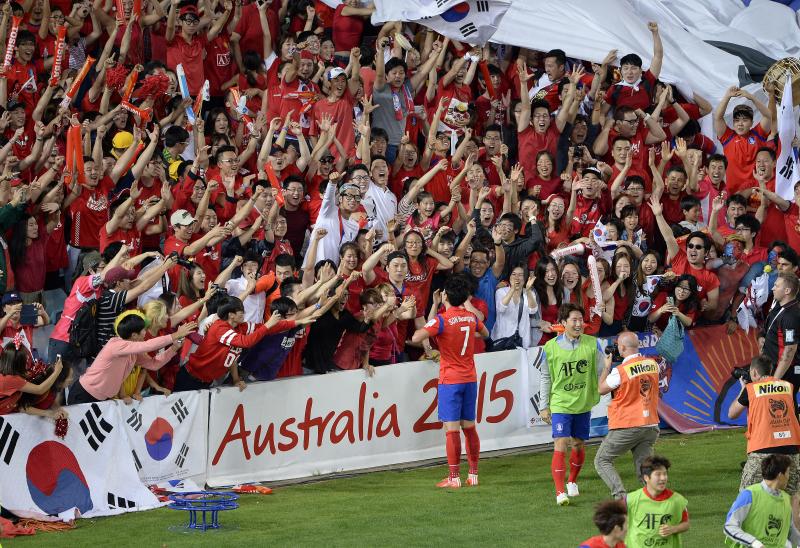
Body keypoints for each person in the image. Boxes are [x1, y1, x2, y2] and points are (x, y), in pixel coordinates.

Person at [412, 274, 489, 488]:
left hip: (450, 380)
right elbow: (485, 333)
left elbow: (418, 337)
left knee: (452, 429)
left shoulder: (442, 320)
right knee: (470, 427)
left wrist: (434, 313)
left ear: (445, 295)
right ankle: (473, 474)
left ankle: (454, 477)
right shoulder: (471, 318)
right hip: (469, 378)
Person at [540, 302, 603, 505]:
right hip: (560, 403)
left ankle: (572, 481)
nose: (578, 324)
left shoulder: (593, 344)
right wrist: (543, 406)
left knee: (578, 443)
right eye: (574, 320)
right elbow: (545, 377)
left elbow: (602, 371)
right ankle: (560, 492)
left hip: (583, 403)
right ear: (563, 323)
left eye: (580, 320)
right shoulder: (550, 347)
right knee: (561, 442)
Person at [68, 311, 197, 404]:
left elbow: (154, 364)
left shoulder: (133, 352)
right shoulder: (116, 344)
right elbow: (148, 345)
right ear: (134, 335)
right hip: (83, 393)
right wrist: (175, 335)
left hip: (102, 399)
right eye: (143, 330)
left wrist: (174, 348)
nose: (146, 332)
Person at [728, 355, 800, 519]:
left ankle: (742, 533)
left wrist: (743, 388)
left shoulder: (751, 389)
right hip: (791, 448)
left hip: (763, 449)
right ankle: (796, 535)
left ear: (754, 372)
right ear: (771, 370)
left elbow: (731, 413)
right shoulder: (788, 386)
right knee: (793, 498)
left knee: (746, 495)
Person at [594, 331, 660, 500]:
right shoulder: (653, 364)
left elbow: (601, 389)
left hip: (628, 424)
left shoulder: (620, 371)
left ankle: (621, 498)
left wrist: (606, 367)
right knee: (644, 468)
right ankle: (655, 499)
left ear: (622, 347)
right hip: (651, 425)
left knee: (602, 460)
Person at [724, 454, 800, 547]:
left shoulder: (786, 499)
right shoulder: (749, 495)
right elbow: (730, 527)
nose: (789, 477)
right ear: (780, 475)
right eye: (788, 472)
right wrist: (754, 543)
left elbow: (790, 531)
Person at [626, 455, 690, 547]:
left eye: (665, 474)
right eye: (658, 474)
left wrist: (673, 529)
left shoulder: (677, 500)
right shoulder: (631, 500)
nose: (663, 478)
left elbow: (686, 524)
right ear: (646, 478)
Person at [760, 273, 800, 406]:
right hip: (775, 367)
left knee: (786, 406)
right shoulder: (780, 307)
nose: (773, 288)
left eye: (776, 286)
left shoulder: (790, 316)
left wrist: (775, 380)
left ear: (787, 290)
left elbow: (790, 349)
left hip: (785, 371)